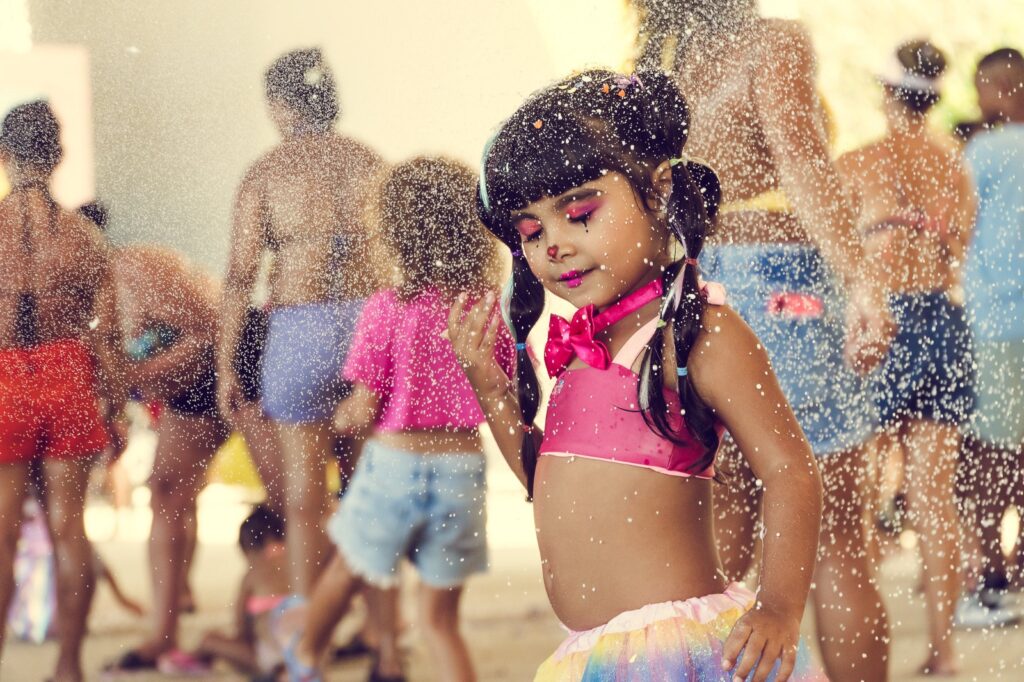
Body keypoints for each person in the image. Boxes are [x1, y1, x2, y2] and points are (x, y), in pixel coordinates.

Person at [451, 69, 826, 681]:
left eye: (579, 212)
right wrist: (493, 394)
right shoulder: (581, 347)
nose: (555, 245)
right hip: (595, 658)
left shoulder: (697, 335)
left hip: (677, 653)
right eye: (532, 231)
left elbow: (790, 471)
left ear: (658, 191)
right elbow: (551, 488)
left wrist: (779, 608)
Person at [631, 3, 894, 679]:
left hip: (695, 292)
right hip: (784, 288)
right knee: (836, 534)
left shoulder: (657, 62)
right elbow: (802, 162)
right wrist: (861, 280)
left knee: (719, 536)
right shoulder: (770, 42)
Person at [285, 157, 508, 682]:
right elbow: (503, 392)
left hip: (396, 465)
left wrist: (341, 418)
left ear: (395, 234)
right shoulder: (487, 310)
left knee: (347, 569)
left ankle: (305, 658)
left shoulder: (388, 308)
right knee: (439, 623)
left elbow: (362, 409)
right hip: (462, 469)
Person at [218, 47, 385, 596]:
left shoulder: (268, 172)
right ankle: (385, 637)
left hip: (300, 328)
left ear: (281, 105)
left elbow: (240, 276)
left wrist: (226, 365)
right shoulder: (368, 161)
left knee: (304, 499)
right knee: (369, 493)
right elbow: (396, 258)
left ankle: (307, 634)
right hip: (366, 324)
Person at [836, 41, 976, 674]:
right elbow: (961, 249)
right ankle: (944, 650)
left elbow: (835, 255)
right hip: (942, 319)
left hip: (881, 322)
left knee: (860, 496)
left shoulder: (856, 163)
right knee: (933, 498)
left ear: (885, 93)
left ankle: (866, 651)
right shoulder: (955, 167)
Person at [95, 238, 283, 671]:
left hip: (240, 356)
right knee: (165, 491)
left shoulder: (136, 268)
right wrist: (117, 403)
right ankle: (162, 636)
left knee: (286, 498)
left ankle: (329, 624)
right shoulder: (47, 308)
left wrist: (132, 376)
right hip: (191, 386)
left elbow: (212, 330)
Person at [0, 100, 124, 682]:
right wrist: (114, 403)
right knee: (70, 529)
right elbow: (107, 337)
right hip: (69, 375)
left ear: (4, 155)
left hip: (4, 379)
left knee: (1, 536)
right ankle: (69, 665)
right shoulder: (86, 236)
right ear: (58, 157)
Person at [958, 47, 1024, 622]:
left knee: (991, 451)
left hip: (996, 320)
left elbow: (958, 225)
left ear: (1002, 88)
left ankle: (990, 573)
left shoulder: (984, 151)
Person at [155, 505, 292, 679]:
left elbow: (242, 630)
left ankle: (195, 658)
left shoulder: (253, 574)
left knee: (210, 639)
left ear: (249, 550)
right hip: (307, 649)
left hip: (270, 656)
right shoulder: (301, 566)